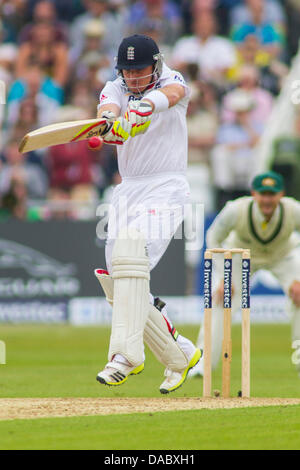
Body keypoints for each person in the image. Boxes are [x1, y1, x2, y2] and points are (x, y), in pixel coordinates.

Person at [92, 34, 201, 393]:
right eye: (128, 71)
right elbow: (106, 109)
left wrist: (144, 108)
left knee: (130, 256)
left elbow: (170, 96)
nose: (134, 78)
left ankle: (125, 355)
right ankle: (180, 354)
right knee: (117, 281)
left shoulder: (173, 80)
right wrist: (109, 124)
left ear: (155, 64)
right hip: (128, 190)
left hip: (166, 186)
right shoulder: (116, 87)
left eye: (140, 70)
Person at [190, 171, 300, 378]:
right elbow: (213, 238)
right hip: (241, 256)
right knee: (224, 298)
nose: (267, 199)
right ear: (254, 194)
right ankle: (203, 362)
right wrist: (225, 275)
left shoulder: (293, 209)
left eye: (272, 194)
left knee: (299, 294)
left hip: (282, 255)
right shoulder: (236, 210)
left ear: (281, 194)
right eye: (263, 194)